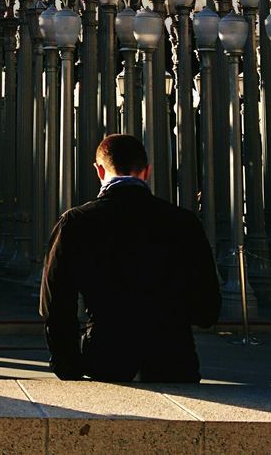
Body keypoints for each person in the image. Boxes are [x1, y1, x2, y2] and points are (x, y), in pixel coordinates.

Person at [40, 133, 221, 382]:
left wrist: (68, 366)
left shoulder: (76, 222)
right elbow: (208, 308)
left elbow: (55, 304)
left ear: (99, 171)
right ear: (146, 171)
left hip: (107, 355)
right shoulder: (183, 223)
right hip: (173, 358)